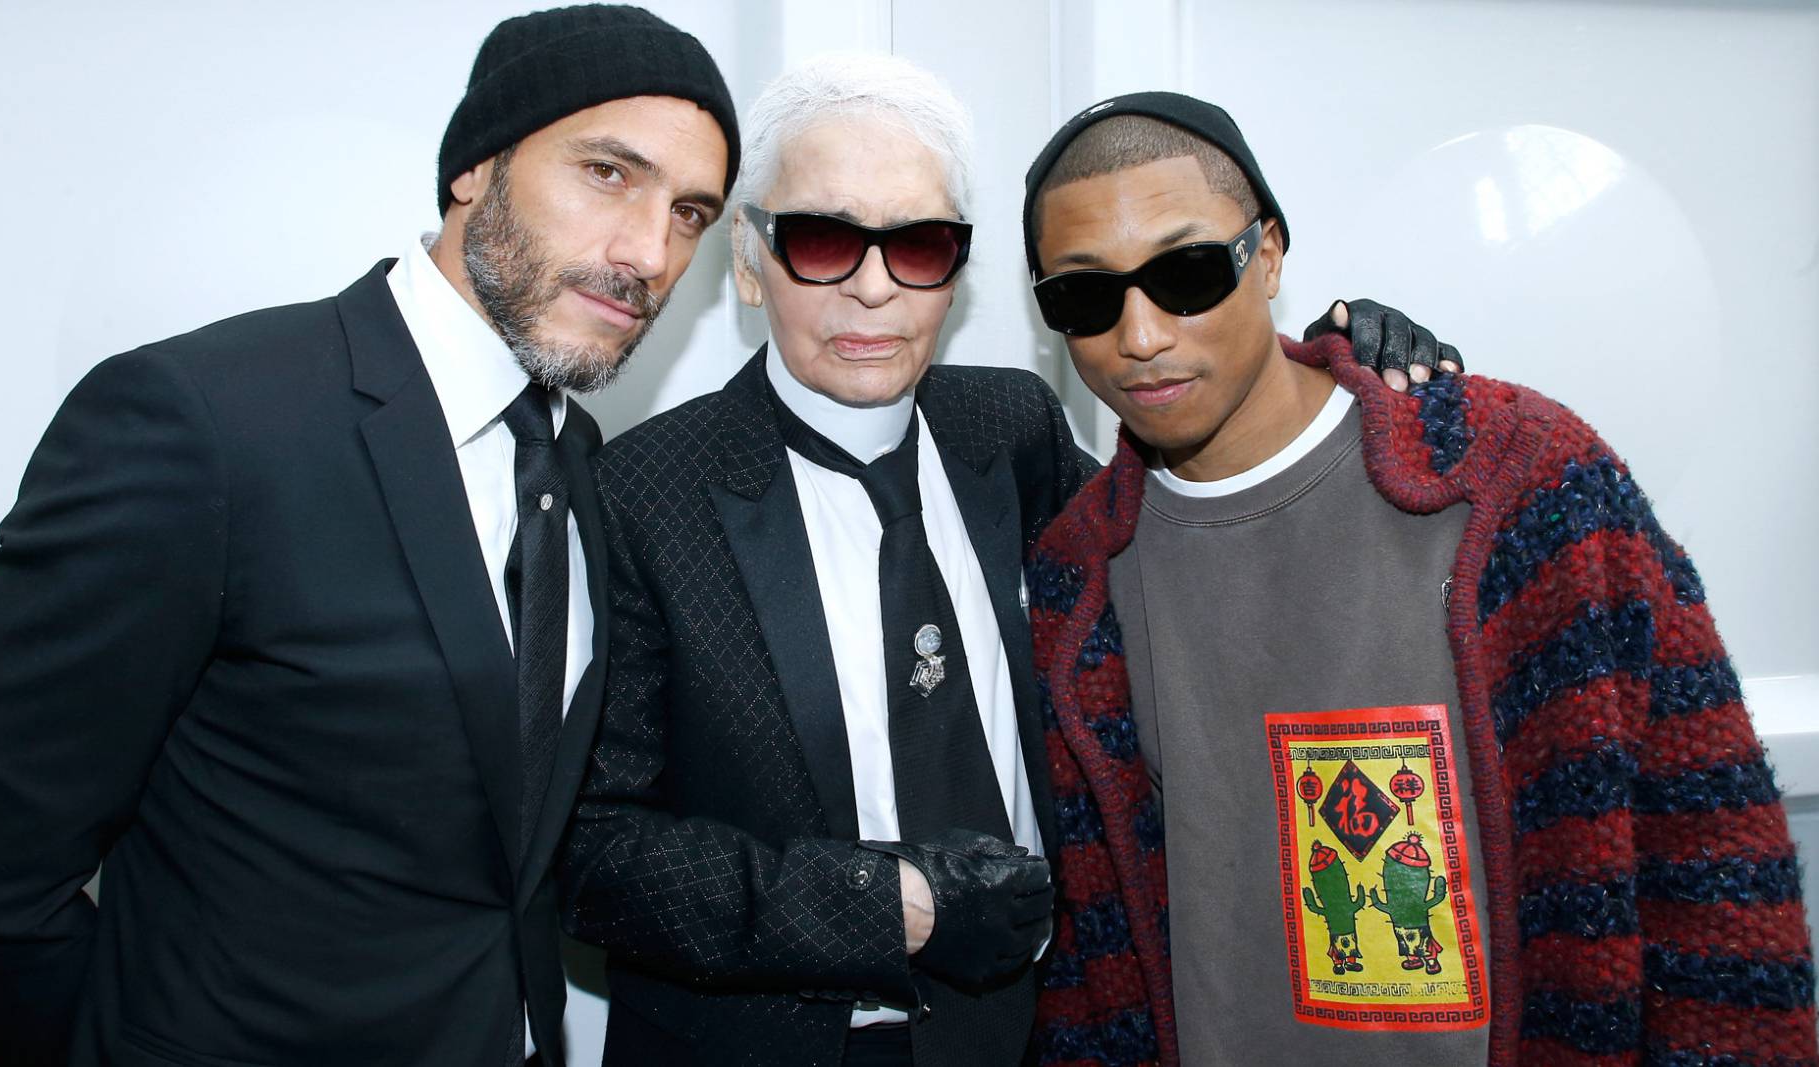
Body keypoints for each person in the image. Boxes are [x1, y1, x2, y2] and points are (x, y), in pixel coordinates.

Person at [560, 56, 1455, 1067]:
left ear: (957, 266)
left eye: (919, 244)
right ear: (749, 258)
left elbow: (1195, 541)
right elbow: (589, 853)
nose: (871, 286)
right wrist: (890, 905)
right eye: (821, 239)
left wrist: (1325, 376)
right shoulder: (640, 494)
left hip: (1053, 1028)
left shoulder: (1013, 430)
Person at [0, 7, 737, 1066]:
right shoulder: (205, 422)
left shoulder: (574, 458)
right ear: (476, 165)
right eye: (609, 173)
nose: (648, 252)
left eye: (691, 212)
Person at [1023, 92, 1817, 1067]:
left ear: (1266, 252)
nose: (1138, 334)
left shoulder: (1522, 481)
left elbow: (1714, 859)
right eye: (1083, 297)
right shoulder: (1074, 580)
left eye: (1185, 273)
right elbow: (1090, 966)